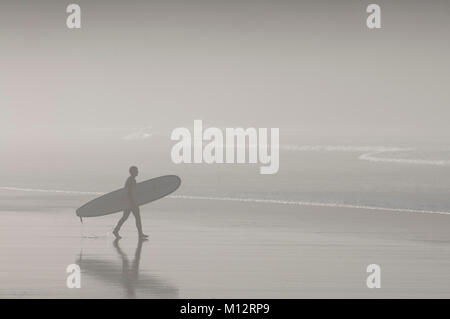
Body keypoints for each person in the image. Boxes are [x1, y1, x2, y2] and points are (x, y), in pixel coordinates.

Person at [113, 166, 148, 239]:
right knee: (136, 218)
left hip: (129, 202)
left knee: (125, 217)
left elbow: (132, 191)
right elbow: (129, 192)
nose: (138, 172)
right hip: (131, 203)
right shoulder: (131, 180)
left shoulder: (131, 179)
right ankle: (140, 234)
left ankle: (116, 230)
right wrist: (133, 202)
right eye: (136, 171)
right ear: (133, 172)